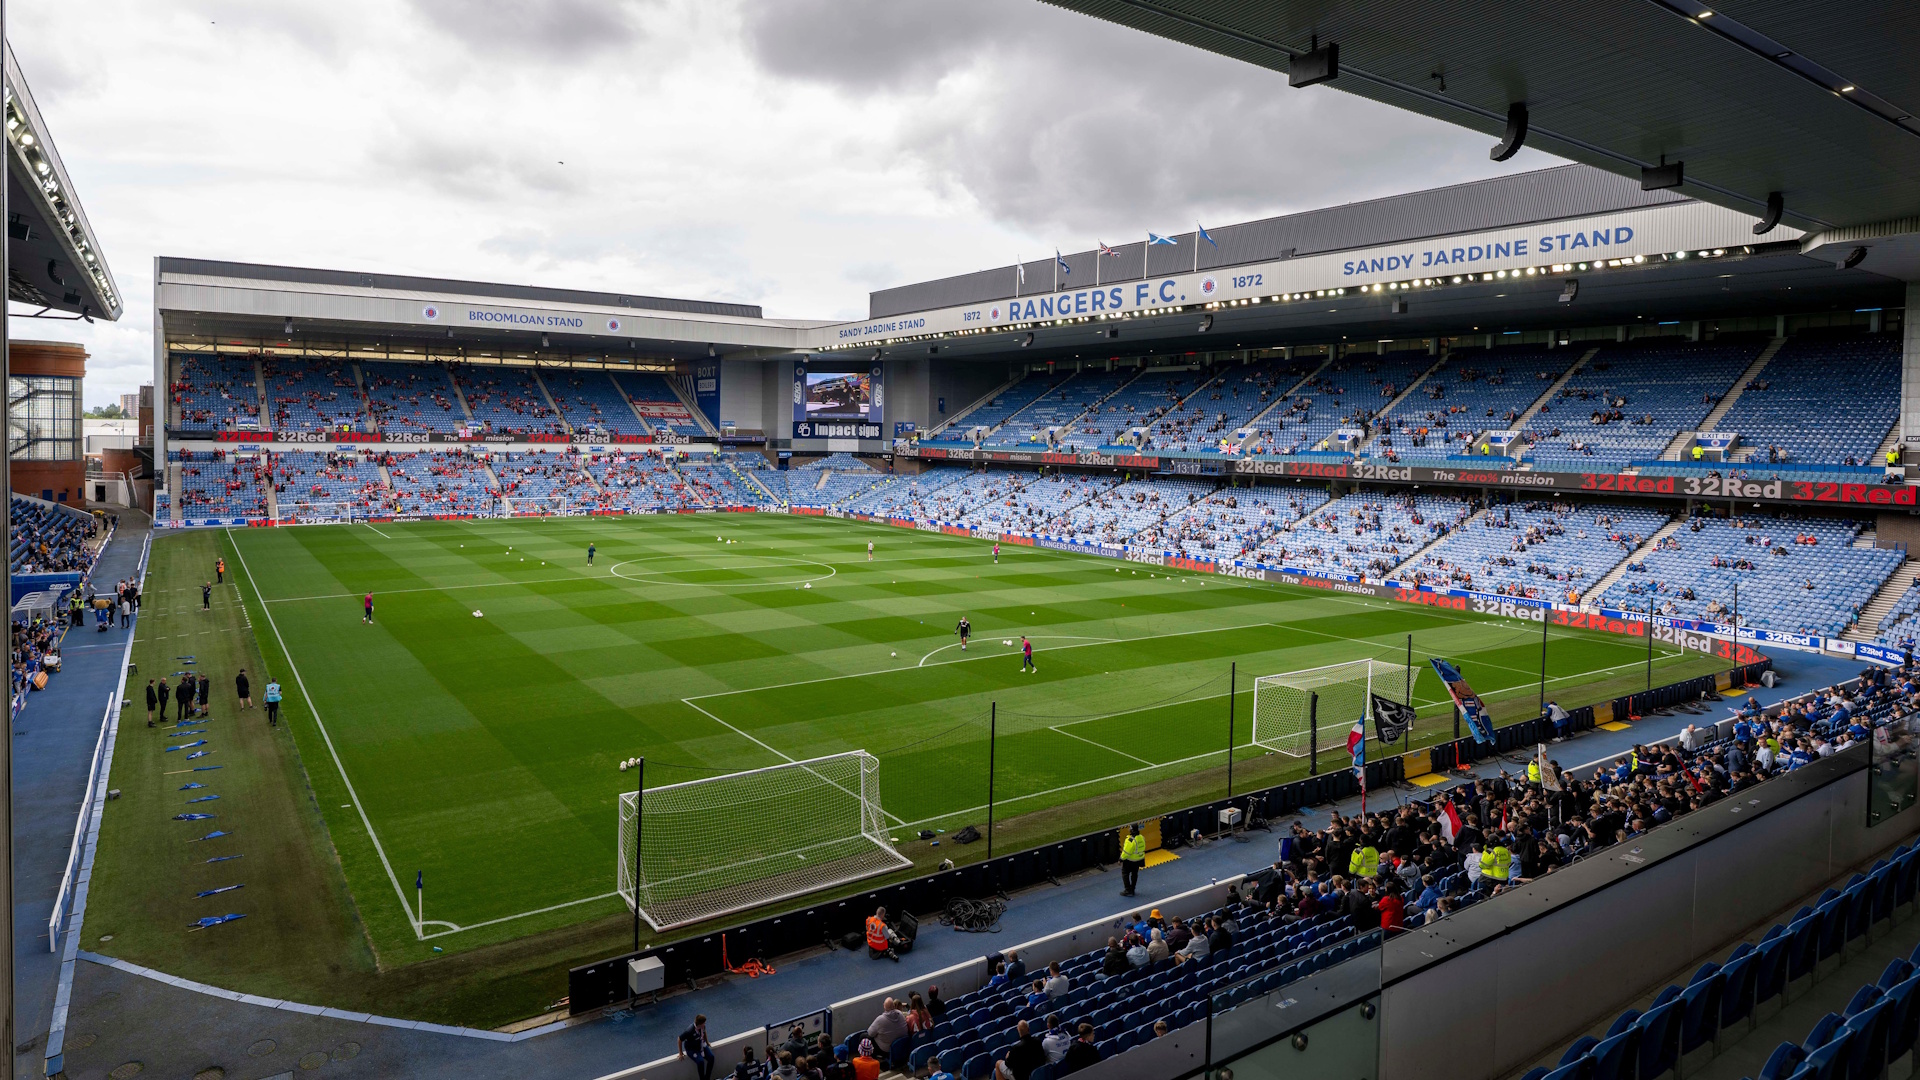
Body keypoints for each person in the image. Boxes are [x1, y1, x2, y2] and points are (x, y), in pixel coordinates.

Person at [679, 1014, 715, 1080]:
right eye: (704, 1023)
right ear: (700, 1024)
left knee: (711, 1057)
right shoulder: (689, 1031)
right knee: (700, 1062)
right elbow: (679, 1039)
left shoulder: (702, 1027)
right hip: (692, 1049)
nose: (705, 1024)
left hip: (700, 1044)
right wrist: (680, 1053)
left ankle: (707, 1077)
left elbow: (704, 1032)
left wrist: (707, 1042)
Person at [1120, 822, 1146, 896]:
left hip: (1129, 861)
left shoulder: (1130, 840)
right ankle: (1133, 889)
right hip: (1138, 860)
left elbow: (1126, 852)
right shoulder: (1142, 837)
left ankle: (1128, 890)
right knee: (1134, 874)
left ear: (1131, 830)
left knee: (1125, 873)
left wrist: (1121, 859)